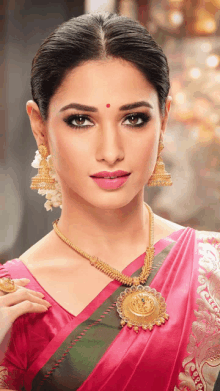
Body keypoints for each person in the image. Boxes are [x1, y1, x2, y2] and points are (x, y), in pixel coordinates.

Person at [0, 10, 220, 391]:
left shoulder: (213, 270)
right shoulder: (11, 300)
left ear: (164, 120)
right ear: (40, 127)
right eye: (80, 121)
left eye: (134, 118)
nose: (111, 151)